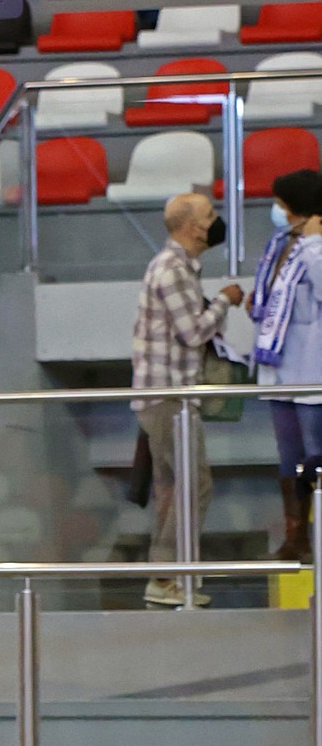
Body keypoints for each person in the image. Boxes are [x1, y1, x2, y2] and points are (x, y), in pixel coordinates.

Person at [132, 191, 243, 609]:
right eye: (210, 215)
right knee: (194, 485)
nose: (216, 221)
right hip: (169, 398)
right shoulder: (172, 269)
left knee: (172, 489)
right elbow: (193, 332)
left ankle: (168, 574)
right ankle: (164, 575)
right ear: (193, 227)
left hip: (168, 396)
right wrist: (225, 301)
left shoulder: (178, 268)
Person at [247, 166, 322, 560]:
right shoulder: (279, 243)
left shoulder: (316, 245)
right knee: (289, 459)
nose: (276, 210)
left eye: (280, 203)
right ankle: (296, 537)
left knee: (316, 456)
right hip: (279, 371)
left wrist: (314, 244)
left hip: (312, 370)